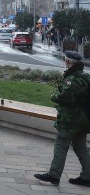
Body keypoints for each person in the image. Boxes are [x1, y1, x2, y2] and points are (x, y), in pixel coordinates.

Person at [35, 51, 90, 186]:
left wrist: (54, 97)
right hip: (83, 120)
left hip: (70, 120)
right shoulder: (85, 76)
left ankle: (54, 175)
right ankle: (87, 176)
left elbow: (66, 97)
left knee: (61, 145)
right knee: (80, 147)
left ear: (68, 62)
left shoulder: (72, 79)